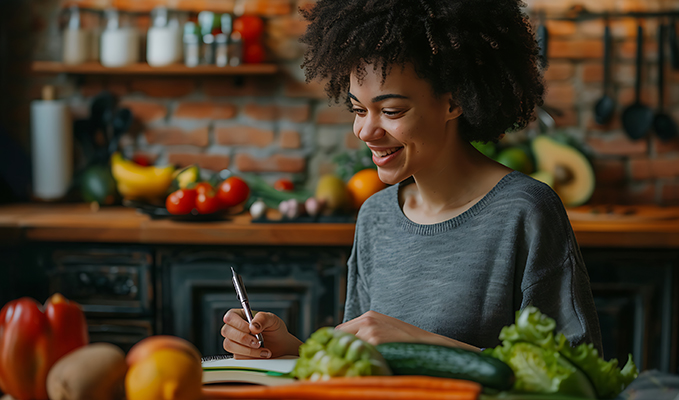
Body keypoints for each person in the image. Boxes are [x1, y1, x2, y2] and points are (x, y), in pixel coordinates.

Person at [220, 0, 603, 359]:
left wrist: (424, 344)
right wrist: (290, 351)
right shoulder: (376, 217)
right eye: (358, 109)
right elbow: (363, 365)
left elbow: (576, 373)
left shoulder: (526, 211)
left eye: (390, 110)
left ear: (455, 102)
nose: (365, 131)